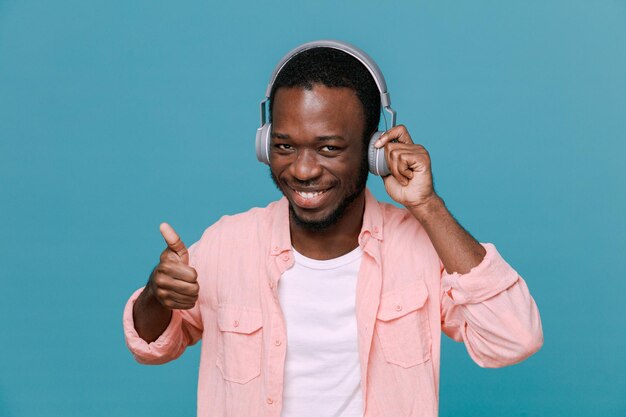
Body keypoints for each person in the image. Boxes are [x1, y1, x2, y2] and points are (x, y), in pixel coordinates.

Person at [123, 40, 543, 417]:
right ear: (264, 143)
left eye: (329, 148)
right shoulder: (226, 243)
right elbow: (151, 347)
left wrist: (428, 207)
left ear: (375, 150)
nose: (303, 170)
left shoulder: (421, 251)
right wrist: (157, 296)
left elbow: (513, 338)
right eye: (285, 146)